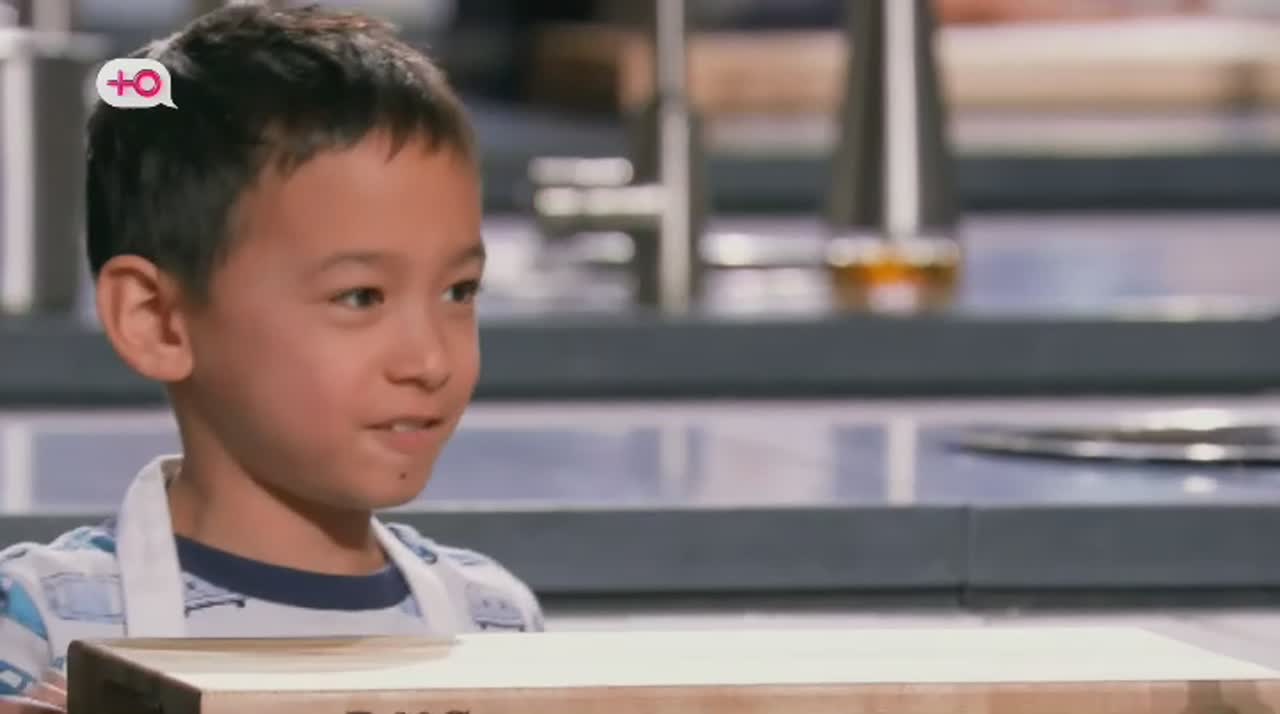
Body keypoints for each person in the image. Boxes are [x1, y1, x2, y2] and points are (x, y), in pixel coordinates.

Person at [0, 4, 543, 709]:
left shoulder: (495, 623)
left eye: (458, 291)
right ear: (156, 321)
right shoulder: (36, 625)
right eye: (361, 297)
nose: (430, 360)